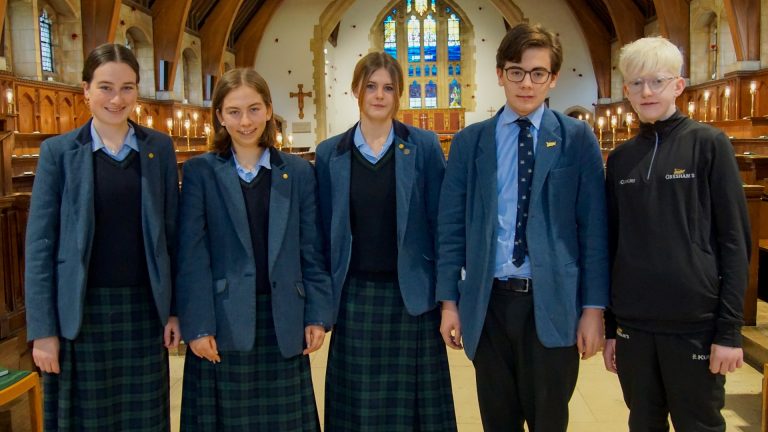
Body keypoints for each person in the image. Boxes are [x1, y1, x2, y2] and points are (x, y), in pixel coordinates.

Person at [436, 22, 609, 431]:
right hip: (489, 303)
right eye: (516, 71)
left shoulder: (576, 138)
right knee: (498, 421)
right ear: (500, 74)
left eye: (537, 73)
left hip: (551, 303)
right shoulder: (470, 143)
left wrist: (593, 310)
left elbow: (594, 230)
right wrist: (449, 303)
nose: (526, 83)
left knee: (549, 420)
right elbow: (451, 227)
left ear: (553, 78)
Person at [25, 43, 180, 431]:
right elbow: (40, 246)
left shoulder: (158, 148)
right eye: (106, 87)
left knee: (144, 420)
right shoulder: (59, 152)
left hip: (144, 311)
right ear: (86, 90)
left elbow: (172, 237)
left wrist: (174, 309)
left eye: (127, 87)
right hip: (81, 313)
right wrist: (43, 331)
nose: (117, 99)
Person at [602, 36, 750, 431]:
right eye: (636, 83)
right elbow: (612, 243)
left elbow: (734, 242)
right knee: (643, 423)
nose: (646, 92)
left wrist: (729, 331)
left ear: (678, 85)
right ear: (626, 90)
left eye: (657, 81)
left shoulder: (709, 145)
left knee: (698, 425)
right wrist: (611, 328)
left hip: (694, 324)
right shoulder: (621, 159)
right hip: (634, 324)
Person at [176, 67, 332, 431]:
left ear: (268, 110)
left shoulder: (297, 172)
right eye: (234, 111)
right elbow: (192, 256)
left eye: (254, 109)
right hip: (223, 321)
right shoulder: (201, 172)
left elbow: (311, 248)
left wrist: (316, 314)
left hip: (284, 320)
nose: (245, 121)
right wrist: (197, 325)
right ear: (219, 115)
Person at [315, 52, 456, 431]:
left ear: (399, 95)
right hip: (354, 298)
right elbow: (321, 235)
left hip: (412, 297)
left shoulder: (423, 146)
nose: (379, 95)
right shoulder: (331, 153)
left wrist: (448, 301)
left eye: (389, 88)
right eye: (371, 86)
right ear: (356, 90)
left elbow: (442, 228)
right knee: (359, 409)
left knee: (415, 413)